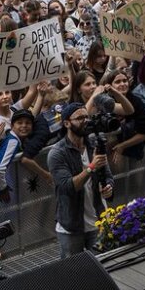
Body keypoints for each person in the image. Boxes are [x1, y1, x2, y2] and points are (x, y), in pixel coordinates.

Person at [47, 102, 113, 259]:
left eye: (87, 117)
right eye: (80, 118)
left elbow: (108, 175)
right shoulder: (57, 153)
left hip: (97, 221)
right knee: (73, 273)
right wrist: (91, 167)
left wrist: (109, 186)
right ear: (67, 123)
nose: (86, 121)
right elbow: (68, 186)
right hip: (71, 227)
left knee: (105, 266)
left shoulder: (94, 145)